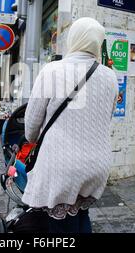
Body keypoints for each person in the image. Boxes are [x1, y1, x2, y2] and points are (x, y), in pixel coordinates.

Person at [22, 18, 119, 233]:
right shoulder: (110, 76)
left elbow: (31, 125)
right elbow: (106, 118)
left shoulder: (52, 70)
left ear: (73, 39)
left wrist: (32, 139)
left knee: (61, 226)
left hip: (61, 165)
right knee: (80, 214)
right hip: (97, 164)